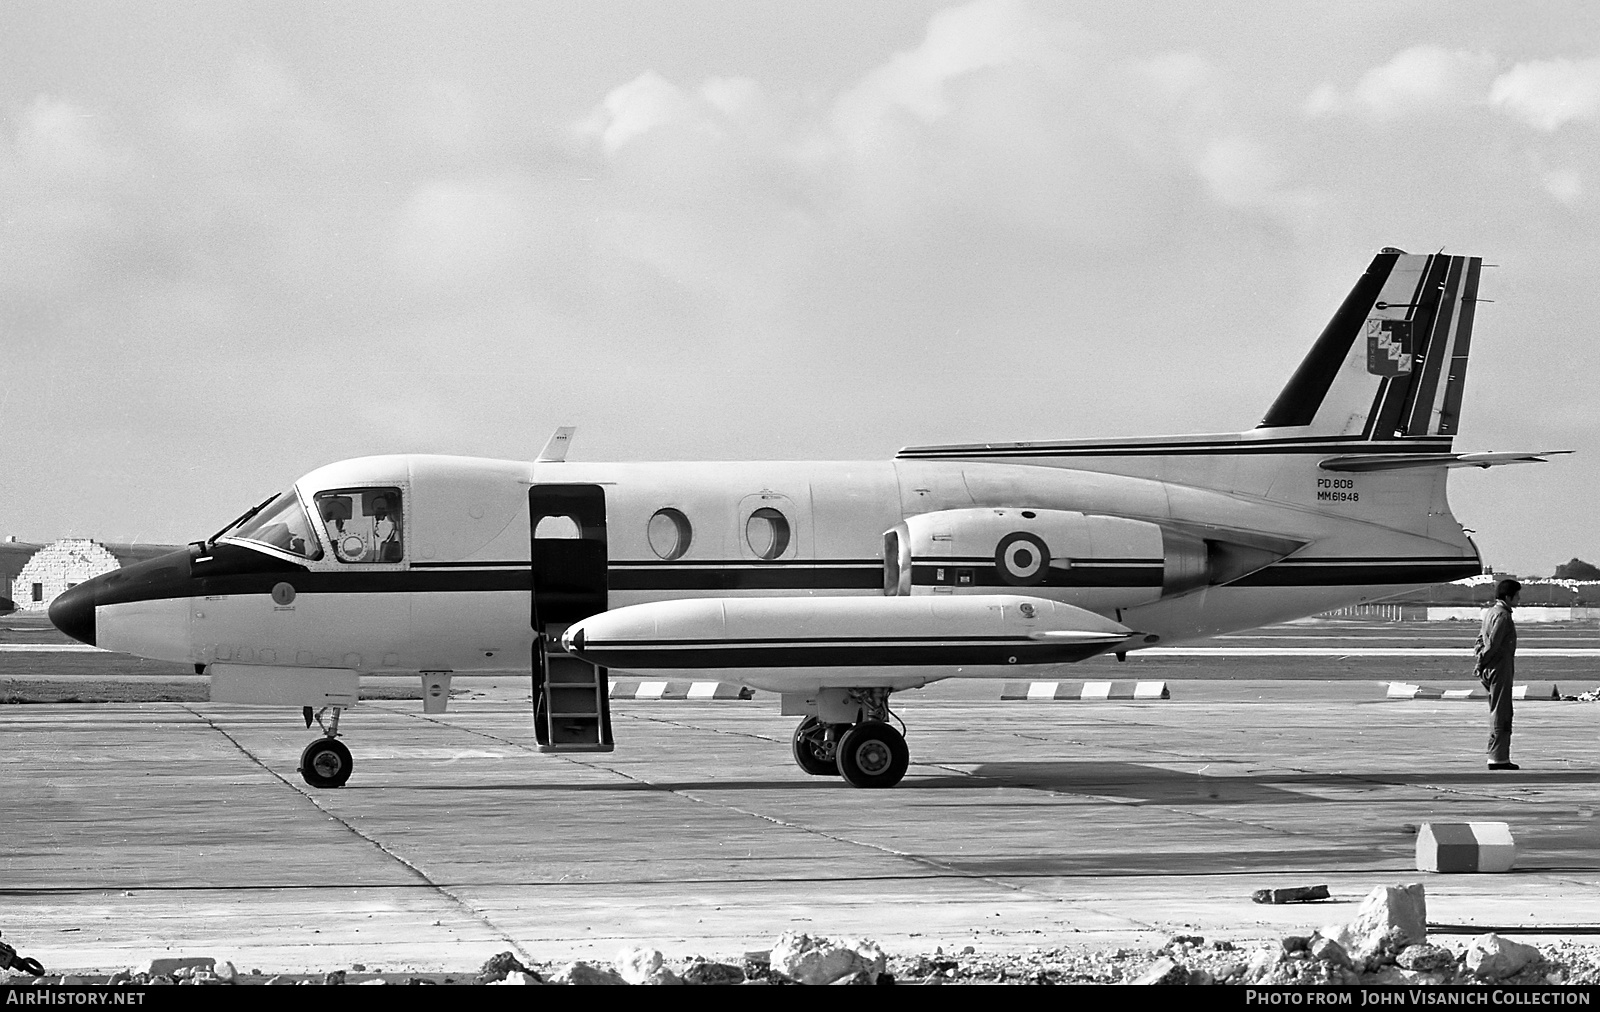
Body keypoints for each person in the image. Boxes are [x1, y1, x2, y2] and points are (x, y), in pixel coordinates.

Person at [1475, 578, 1522, 770]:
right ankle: (1498, 757)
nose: (1519, 600)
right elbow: (1493, 645)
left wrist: (1479, 661)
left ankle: (1497, 755)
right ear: (1508, 597)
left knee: (1497, 709)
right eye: (1517, 596)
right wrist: (1481, 662)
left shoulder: (1491, 612)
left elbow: (1479, 639)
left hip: (1490, 667)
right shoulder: (1502, 616)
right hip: (1499, 668)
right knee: (1502, 711)